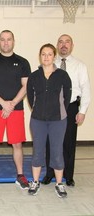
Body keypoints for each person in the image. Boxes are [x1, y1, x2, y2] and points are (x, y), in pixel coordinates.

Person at [0, 30, 30, 190]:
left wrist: (12, 103)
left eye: (9, 39)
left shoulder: (23, 62)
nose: (6, 42)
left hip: (16, 110)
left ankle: (20, 175)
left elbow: (26, 86)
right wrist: (3, 103)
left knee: (17, 144)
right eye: (2, 40)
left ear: (13, 41)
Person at [41, 34, 91, 187]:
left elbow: (86, 89)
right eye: (61, 42)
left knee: (68, 143)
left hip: (70, 107)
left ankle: (68, 176)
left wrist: (82, 111)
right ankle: (50, 173)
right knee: (50, 142)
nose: (63, 45)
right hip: (52, 108)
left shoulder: (80, 65)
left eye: (67, 42)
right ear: (57, 45)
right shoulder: (50, 63)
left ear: (72, 45)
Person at [27, 43, 72, 198]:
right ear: (40, 56)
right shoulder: (34, 76)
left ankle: (59, 184)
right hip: (37, 120)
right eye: (43, 54)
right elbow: (30, 96)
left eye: (49, 54)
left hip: (58, 121)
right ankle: (35, 182)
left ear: (54, 56)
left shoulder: (62, 75)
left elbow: (67, 98)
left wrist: (58, 112)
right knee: (37, 151)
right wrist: (38, 111)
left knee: (57, 152)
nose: (46, 57)